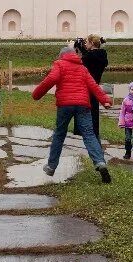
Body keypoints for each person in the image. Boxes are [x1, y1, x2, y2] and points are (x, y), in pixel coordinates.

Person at [31, 47, 112, 182]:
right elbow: (93, 85)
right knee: (89, 134)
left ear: (61, 55)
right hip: (83, 105)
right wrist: (105, 100)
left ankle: (51, 167)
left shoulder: (59, 64)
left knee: (59, 134)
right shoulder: (82, 68)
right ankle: (100, 162)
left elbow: (52, 78)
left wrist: (36, 94)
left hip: (65, 105)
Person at [78, 35, 109, 140]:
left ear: (92, 43)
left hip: (87, 87)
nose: (85, 44)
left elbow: (82, 61)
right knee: (94, 113)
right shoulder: (102, 54)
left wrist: (74, 48)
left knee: (85, 112)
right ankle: (95, 134)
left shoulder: (88, 57)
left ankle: (88, 135)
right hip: (95, 85)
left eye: (87, 42)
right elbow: (90, 56)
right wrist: (83, 48)